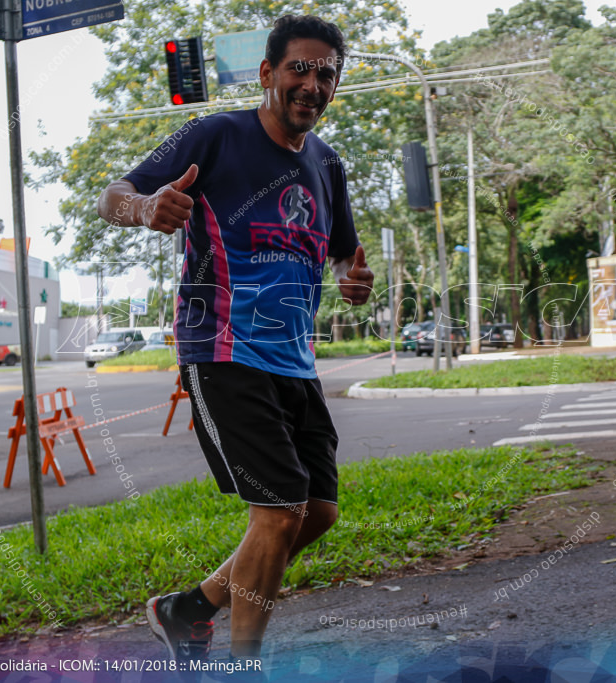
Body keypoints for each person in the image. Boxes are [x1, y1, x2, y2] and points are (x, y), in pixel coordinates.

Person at [96, 14, 373, 666]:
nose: (312, 84)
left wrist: (352, 278)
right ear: (268, 74)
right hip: (222, 349)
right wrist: (148, 206)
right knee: (276, 513)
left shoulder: (327, 166)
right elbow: (115, 195)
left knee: (318, 511)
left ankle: (188, 607)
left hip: (295, 362)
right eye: (299, 69)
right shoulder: (219, 134)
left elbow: (343, 256)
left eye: (325, 73)